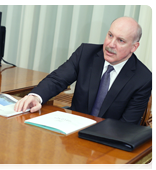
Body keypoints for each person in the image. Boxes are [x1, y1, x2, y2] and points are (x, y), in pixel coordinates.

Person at [14, 16, 154, 125]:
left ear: (134, 47)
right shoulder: (86, 53)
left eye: (120, 41)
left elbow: (127, 126)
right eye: (110, 35)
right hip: (73, 131)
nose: (111, 44)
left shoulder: (143, 78)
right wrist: (35, 96)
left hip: (108, 142)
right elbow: (58, 79)